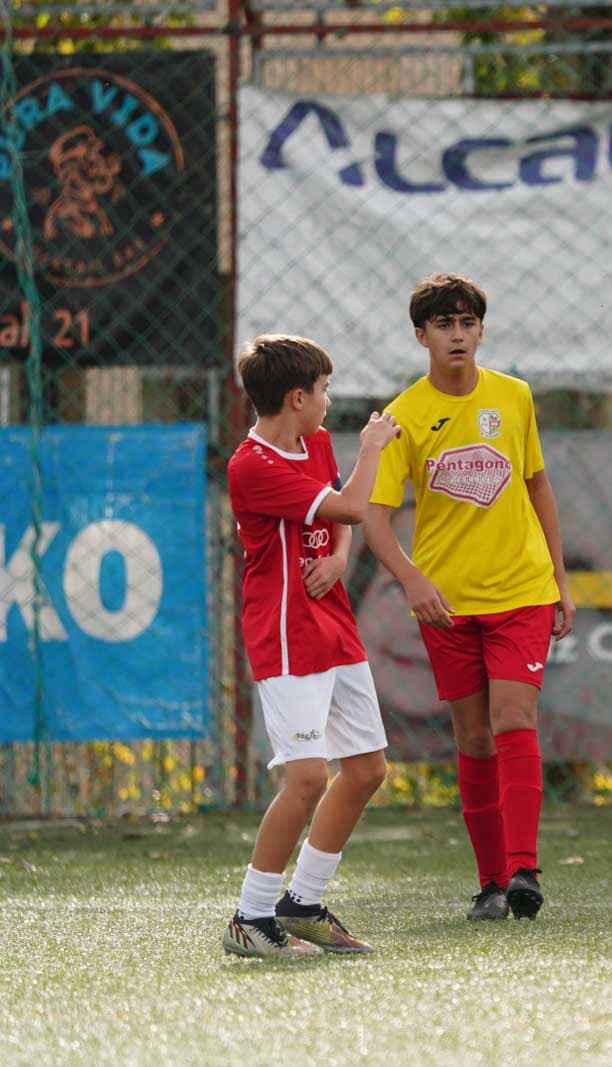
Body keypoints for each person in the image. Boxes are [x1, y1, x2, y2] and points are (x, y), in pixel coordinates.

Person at [364, 272, 575, 922]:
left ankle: (524, 868)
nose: (456, 334)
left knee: (514, 719)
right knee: (473, 737)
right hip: (447, 603)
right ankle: (488, 882)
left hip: (521, 589)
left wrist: (560, 581)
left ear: (481, 330)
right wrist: (412, 579)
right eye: (443, 324)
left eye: (466, 323)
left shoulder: (513, 397)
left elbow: (538, 486)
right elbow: (374, 517)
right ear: (421, 335)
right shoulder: (404, 415)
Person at [224, 334, 401, 958]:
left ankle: (302, 902)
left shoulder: (316, 441)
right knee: (305, 779)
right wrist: (375, 447)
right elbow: (353, 504)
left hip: (333, 624)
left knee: (367, 768)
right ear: (297, 397)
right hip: (286, 635)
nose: (329, 401)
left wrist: (340, 561)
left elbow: (339, 524)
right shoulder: (253, 465)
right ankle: (250, 917)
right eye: (324, 390)